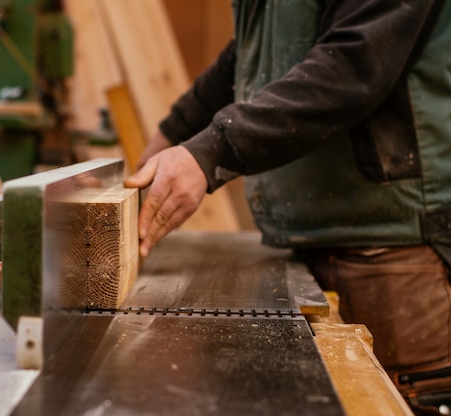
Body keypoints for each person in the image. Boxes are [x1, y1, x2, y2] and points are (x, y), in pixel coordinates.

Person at [123, 1, 451, 414]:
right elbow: (250, 54)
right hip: (315, 236)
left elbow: (354, 64)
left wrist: (209, 153)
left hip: (392, 251)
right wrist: (175, 132)